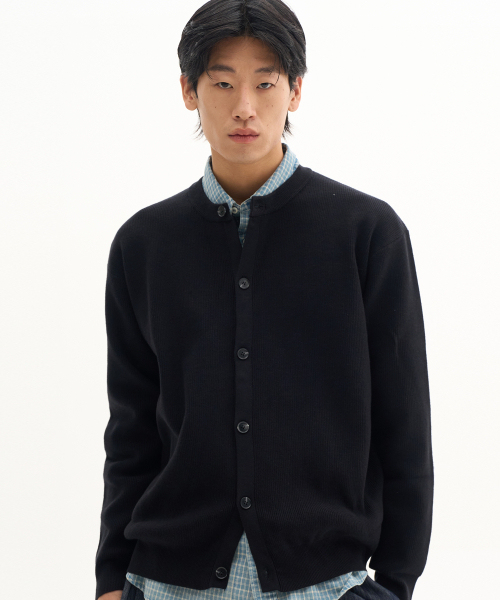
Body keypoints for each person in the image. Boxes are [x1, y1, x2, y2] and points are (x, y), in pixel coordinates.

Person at [95, 2, 434, 600]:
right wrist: (109, 579)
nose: (244, 107)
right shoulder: (143, 244)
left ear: (296, 90)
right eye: (223, 83)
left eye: (266, 83)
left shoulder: (366, 233)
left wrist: (397, 581)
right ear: (188, 90)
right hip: (166, 580)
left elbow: (404, 423)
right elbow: (131, 432)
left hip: (327, 583)